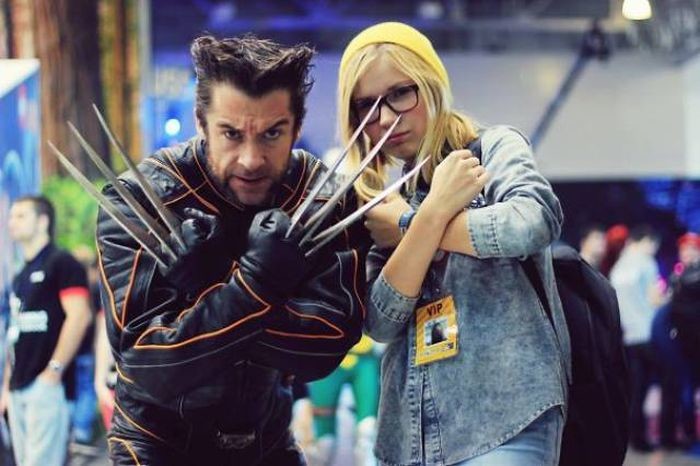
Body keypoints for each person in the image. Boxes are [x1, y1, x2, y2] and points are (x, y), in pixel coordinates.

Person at [96, 35, 367, 464]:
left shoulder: (318, 196)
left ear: (296, 127)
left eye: (272, 134)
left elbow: (326, 346)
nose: (251, 159)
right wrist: (258, 283)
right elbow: (148, 367)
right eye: (231, 134)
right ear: (200, 123)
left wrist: (215, 282)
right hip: (155, 446)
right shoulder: (144, 198)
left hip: (266, 442)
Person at [337, 22, 570, 466]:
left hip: (506, 415)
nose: (384, 118)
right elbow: (381, 322)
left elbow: (534, 221)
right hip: (410, 437)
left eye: (399, 93)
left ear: (430, 84)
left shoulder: (490, 150)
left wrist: (412, 224)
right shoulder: (383, 199)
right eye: (366, 104)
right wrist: (424, 216)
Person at [1, 195, 93, 466]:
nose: (12, 222)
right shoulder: (21, 274)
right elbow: (15, 333)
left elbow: (80, 316)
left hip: (47, 386)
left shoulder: (62, 262)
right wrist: (7, 387)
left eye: (21, 216)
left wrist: (54, 371)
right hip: (18, 388)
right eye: (11, 216)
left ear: (42, 221)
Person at [610, 224, 667, 451]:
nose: (654, 250)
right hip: (648, 332)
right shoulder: (646, 263)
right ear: (647, 241)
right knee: (658, 384)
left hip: (628, 335)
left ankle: (631, 437)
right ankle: (646, 438)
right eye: (654, 245)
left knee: (634, 390)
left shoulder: (619, 266)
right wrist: (668, 298)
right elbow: (654, 299)